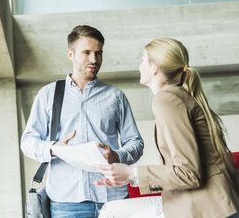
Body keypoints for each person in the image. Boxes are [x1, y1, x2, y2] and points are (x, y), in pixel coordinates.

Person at [95, 38, 239, 218]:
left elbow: (189, 173)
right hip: (201, 200)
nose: (140, 67)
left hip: (208, 207)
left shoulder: (166, 100)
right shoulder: (177, 96)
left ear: (154, 67)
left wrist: (132, 174)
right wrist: (129, 176)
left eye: (142, 61)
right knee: (111, 211)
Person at [20, 25, 144, 218]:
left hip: (113, 199)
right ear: (71, 54)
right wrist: (54, 148)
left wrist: (117, 156)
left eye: (98, 53)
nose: (94, 60)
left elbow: (136, 143)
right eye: (86, 53)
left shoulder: (116, 96)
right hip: (66, 203)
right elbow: (27, 142)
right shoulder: (48, 95)